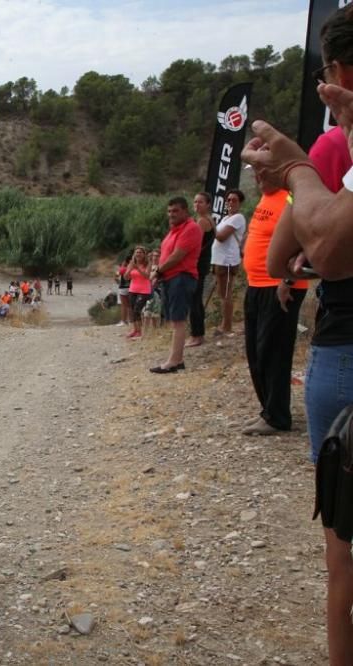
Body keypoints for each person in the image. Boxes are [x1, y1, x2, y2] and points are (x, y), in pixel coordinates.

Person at [241, 15, 353, 659]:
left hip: (346, 342)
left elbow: (306, 248)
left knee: (345, 559)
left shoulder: (337, 148)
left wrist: (295, 172)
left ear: (337, 76)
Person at [240, 176, 309, 436]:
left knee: (274, 351)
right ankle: (268, 410)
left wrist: (288, 280)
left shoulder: (290, 198)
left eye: (263, 171)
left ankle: (277, 416)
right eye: (255, 172)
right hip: (256, 284)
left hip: (280, 287)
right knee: (256, 352)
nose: (258, 177)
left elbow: (305, 239)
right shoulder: (267, 198)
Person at [149, 197, 201, 373]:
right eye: (169, 211)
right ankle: (176, 359)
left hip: (182, 277)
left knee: (178, 320)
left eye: (176, 211)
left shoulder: (191, 228)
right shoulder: (174, 230)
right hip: (170, 278)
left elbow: (177, 256)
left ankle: (174, 361)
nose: (171, 214)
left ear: (185, 211)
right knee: (174, 320)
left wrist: (158, 271)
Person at [210, 188, 246, 336]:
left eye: (234, 200)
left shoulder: (238, 218)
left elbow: (221, 237)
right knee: (222, 292)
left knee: (226, 292)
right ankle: (224, 324)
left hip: (228, 260)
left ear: (240, 203)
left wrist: (210, 223)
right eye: (229, 199)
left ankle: (227, 326)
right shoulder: (225, 218)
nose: (230, 202)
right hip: (220, 260)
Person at [186, 192, 216, 347]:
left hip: (197, 264)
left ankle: (196, 335)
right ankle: (198, 333)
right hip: (202, 264)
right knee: (196, 300)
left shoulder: (202, 222)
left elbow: (194, 244)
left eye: (200, 202)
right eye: (195, 202)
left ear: (208, 204)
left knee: (194, 300)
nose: (197, 205)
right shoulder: (210, 219)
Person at [125, 246, 151, 340]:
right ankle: (135, 330)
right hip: (132, 289)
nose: (138, 254)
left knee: (137, 310)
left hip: (144, 290)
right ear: (134, 254)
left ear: (144, 254)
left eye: (140, 252)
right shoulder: (132, 264)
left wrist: (138, 268)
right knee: (132, 311)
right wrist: (130, 269)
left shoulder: (148, 263)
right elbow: (126, 277)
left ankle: (139, 331)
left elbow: (147, 276)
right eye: (136, 252)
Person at [116, 256, 131, 326]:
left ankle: (124, 321)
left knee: (124, 305)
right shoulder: (133, 268)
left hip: (123, 287)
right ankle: (130, 320)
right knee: (130, 305)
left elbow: (116, 277)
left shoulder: (122, 269)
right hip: (131, 287)